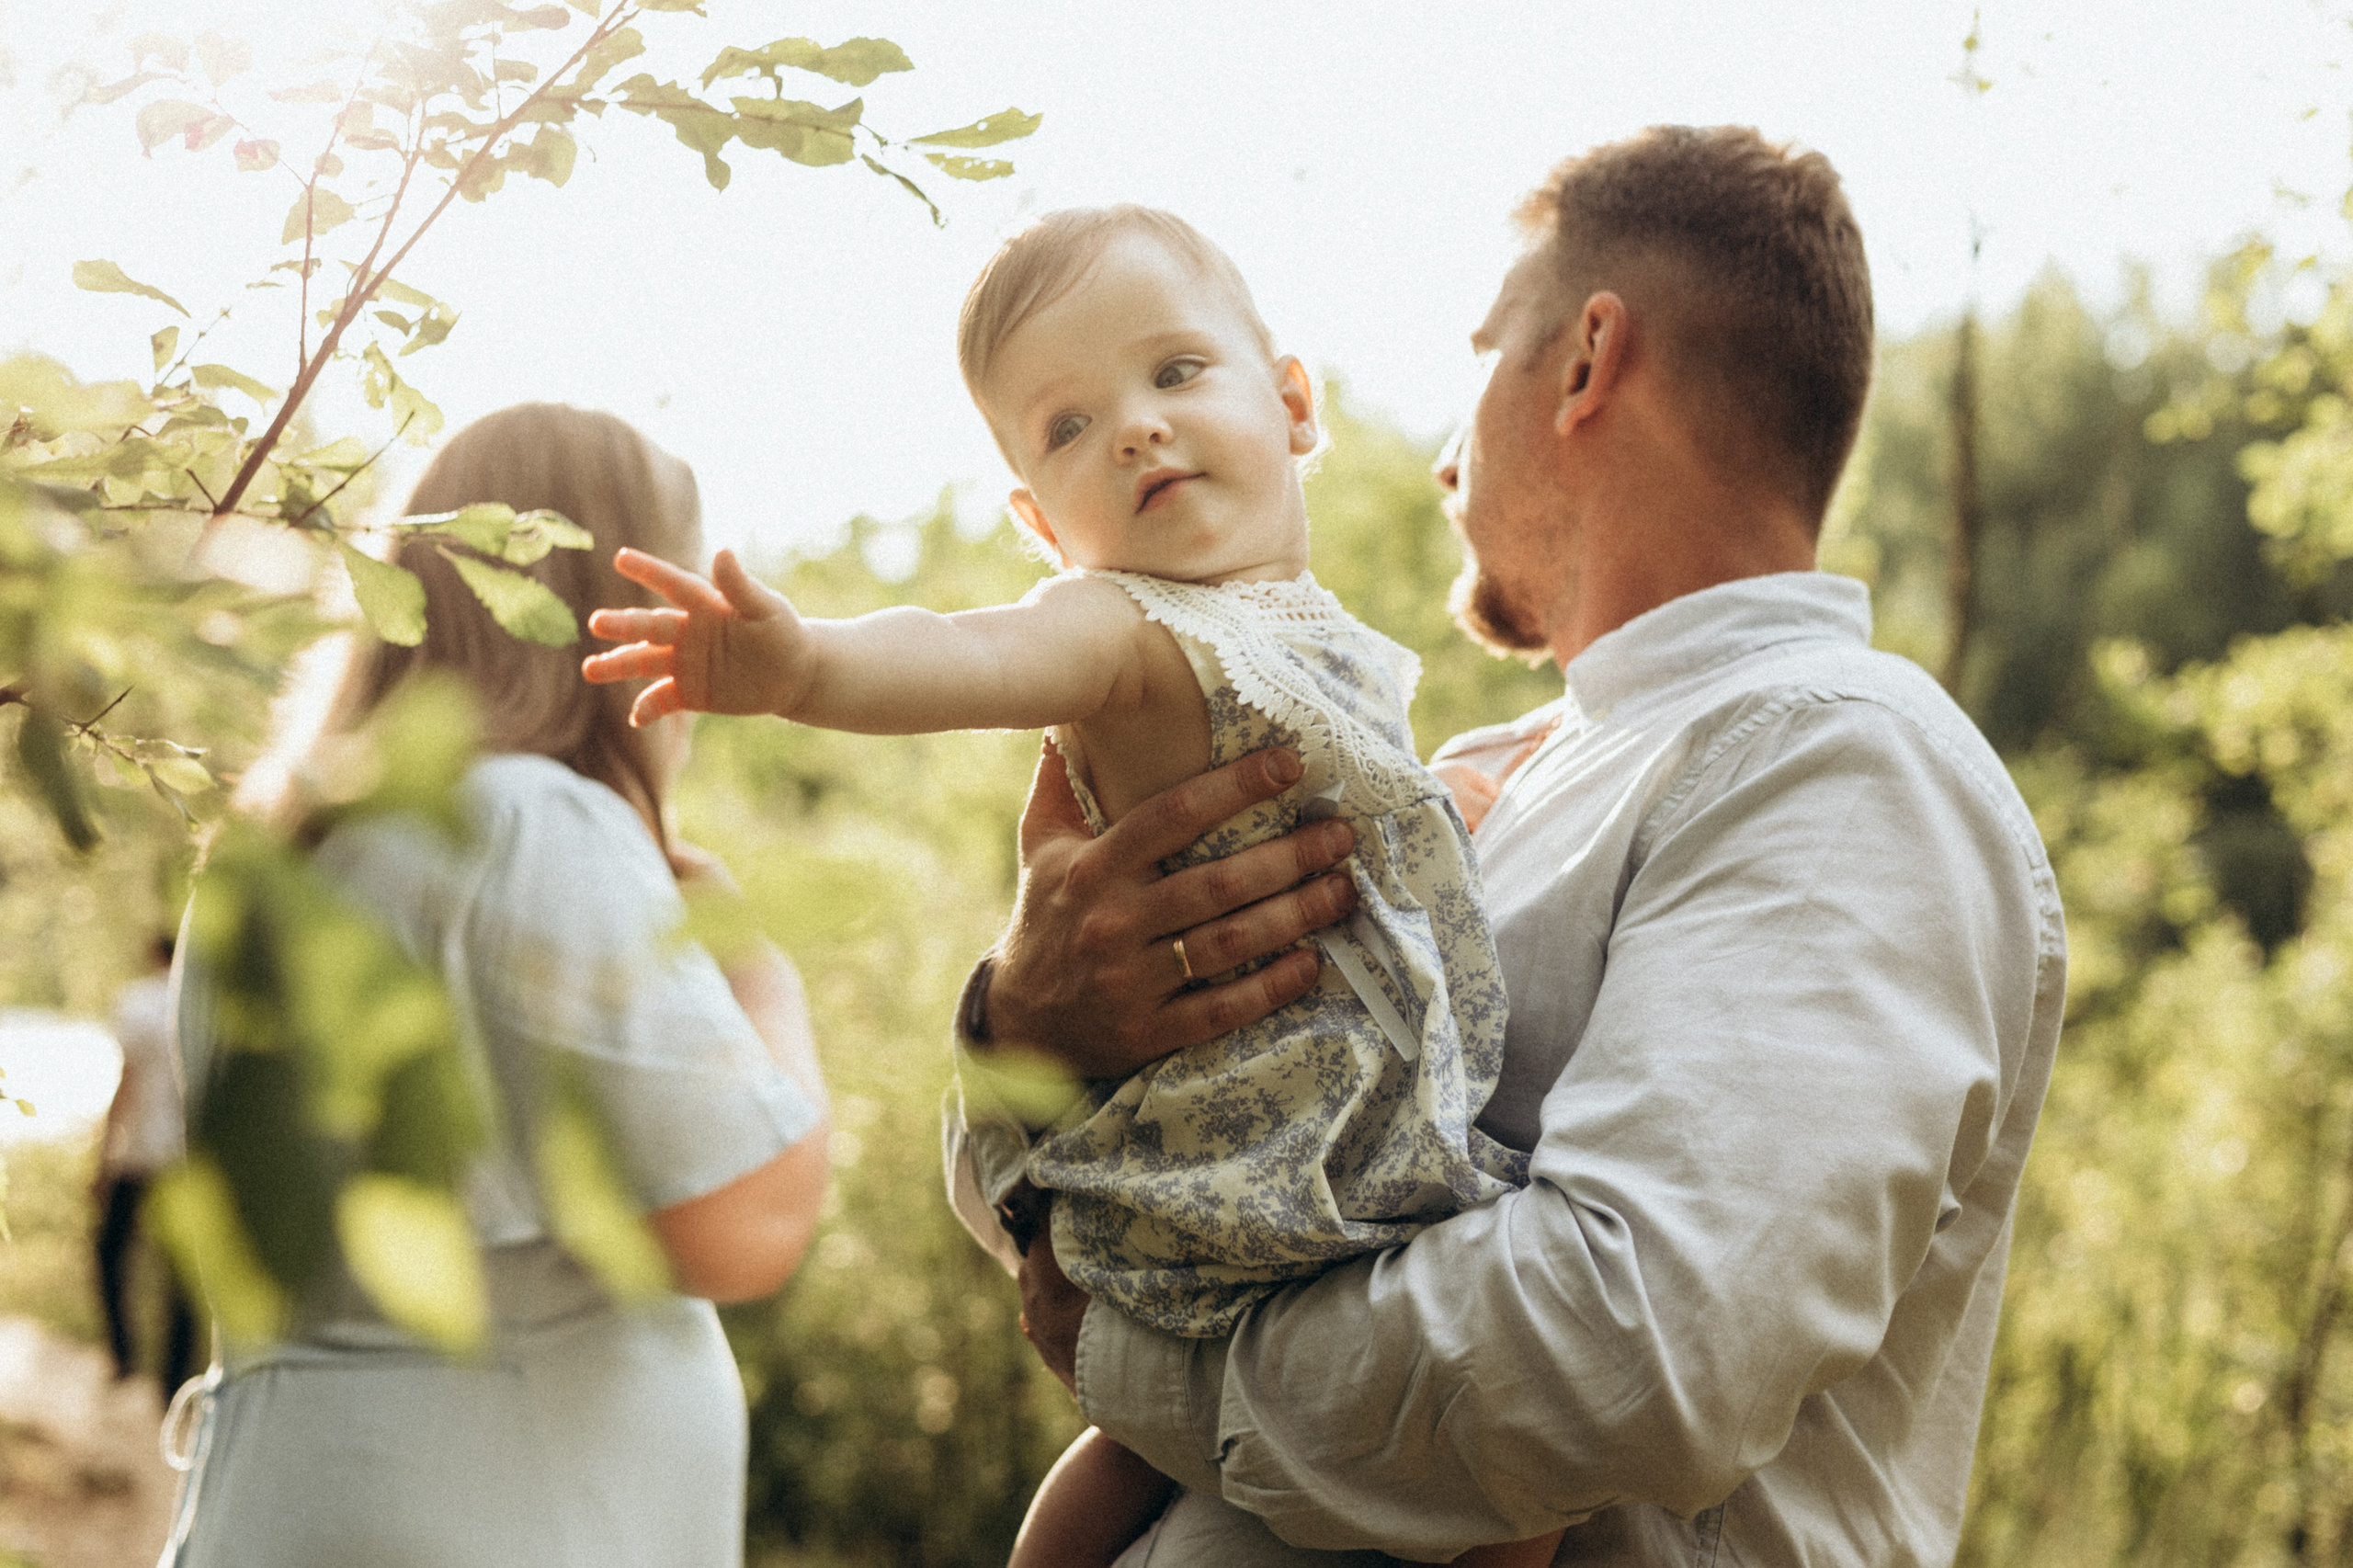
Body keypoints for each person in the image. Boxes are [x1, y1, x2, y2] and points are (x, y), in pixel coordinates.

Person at [956, 127, 2068, 1564]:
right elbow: (1067, 1200)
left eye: (1484, 347)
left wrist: (1137, 1364)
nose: (1436, 453)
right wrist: (1017, 1027)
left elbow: (1625, 1359)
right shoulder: (1468, 782)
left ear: (1589, 358)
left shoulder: (1843, 761)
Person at [583, 207, 1557, 1568]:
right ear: (1047, 525)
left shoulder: (1327, 642)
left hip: (1350, 1140)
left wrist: (1442, 814)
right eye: (1069, 425)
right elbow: (958, 653)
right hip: (1250, 1149)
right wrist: (797, 671)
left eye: (1174, 374)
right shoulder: (1126, 628)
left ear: (1290, 403)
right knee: (1503, 1493)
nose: (1136, 430)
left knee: (1166, 1445)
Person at [165, 403, 831, 1568]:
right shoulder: (531, 820)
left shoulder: (283, 853)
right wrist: (754, 968)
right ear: (613, 615)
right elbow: (746, 1219)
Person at [94, 932, 199, 1392]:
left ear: (153, 953)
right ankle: (174, 1377)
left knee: (110, 1255)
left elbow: (128, 1083)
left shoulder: (137, 1003)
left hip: (138, 1153)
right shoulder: (206, 1004)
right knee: (182, 1275)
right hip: (186, 1159)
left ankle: (125, 1356)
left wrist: (103, 1156)